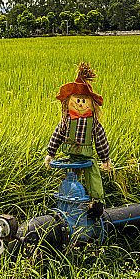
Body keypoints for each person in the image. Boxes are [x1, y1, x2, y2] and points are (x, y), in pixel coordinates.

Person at [45, 63, 111, 216]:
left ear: (91, 104)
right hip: (72, 156)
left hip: (87, 156)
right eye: (77, 100)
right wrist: (51, 153)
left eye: (84, 101)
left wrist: (105, 158)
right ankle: (70, 202)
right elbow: (57, 136)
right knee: (71, 178)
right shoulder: (66, 121)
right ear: (68, 102)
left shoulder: (93, 123)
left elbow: (101, 141)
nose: (80, 104)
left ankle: (97, 203)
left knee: (92, 174)